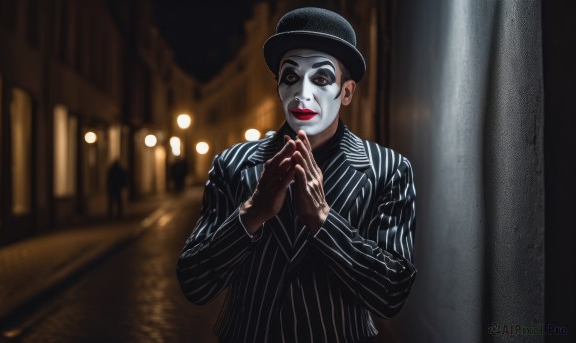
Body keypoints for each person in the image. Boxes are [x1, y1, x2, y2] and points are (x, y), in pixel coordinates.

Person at [176, 7, 417, 342]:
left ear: (346, 92)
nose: (303, 93)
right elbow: (194, 283)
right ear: (278, 88)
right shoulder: (232, 165)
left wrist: (323, 220)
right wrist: (252, 213)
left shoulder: (388, 170)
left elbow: (392, 294)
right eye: (290, 77)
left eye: (320, 78)